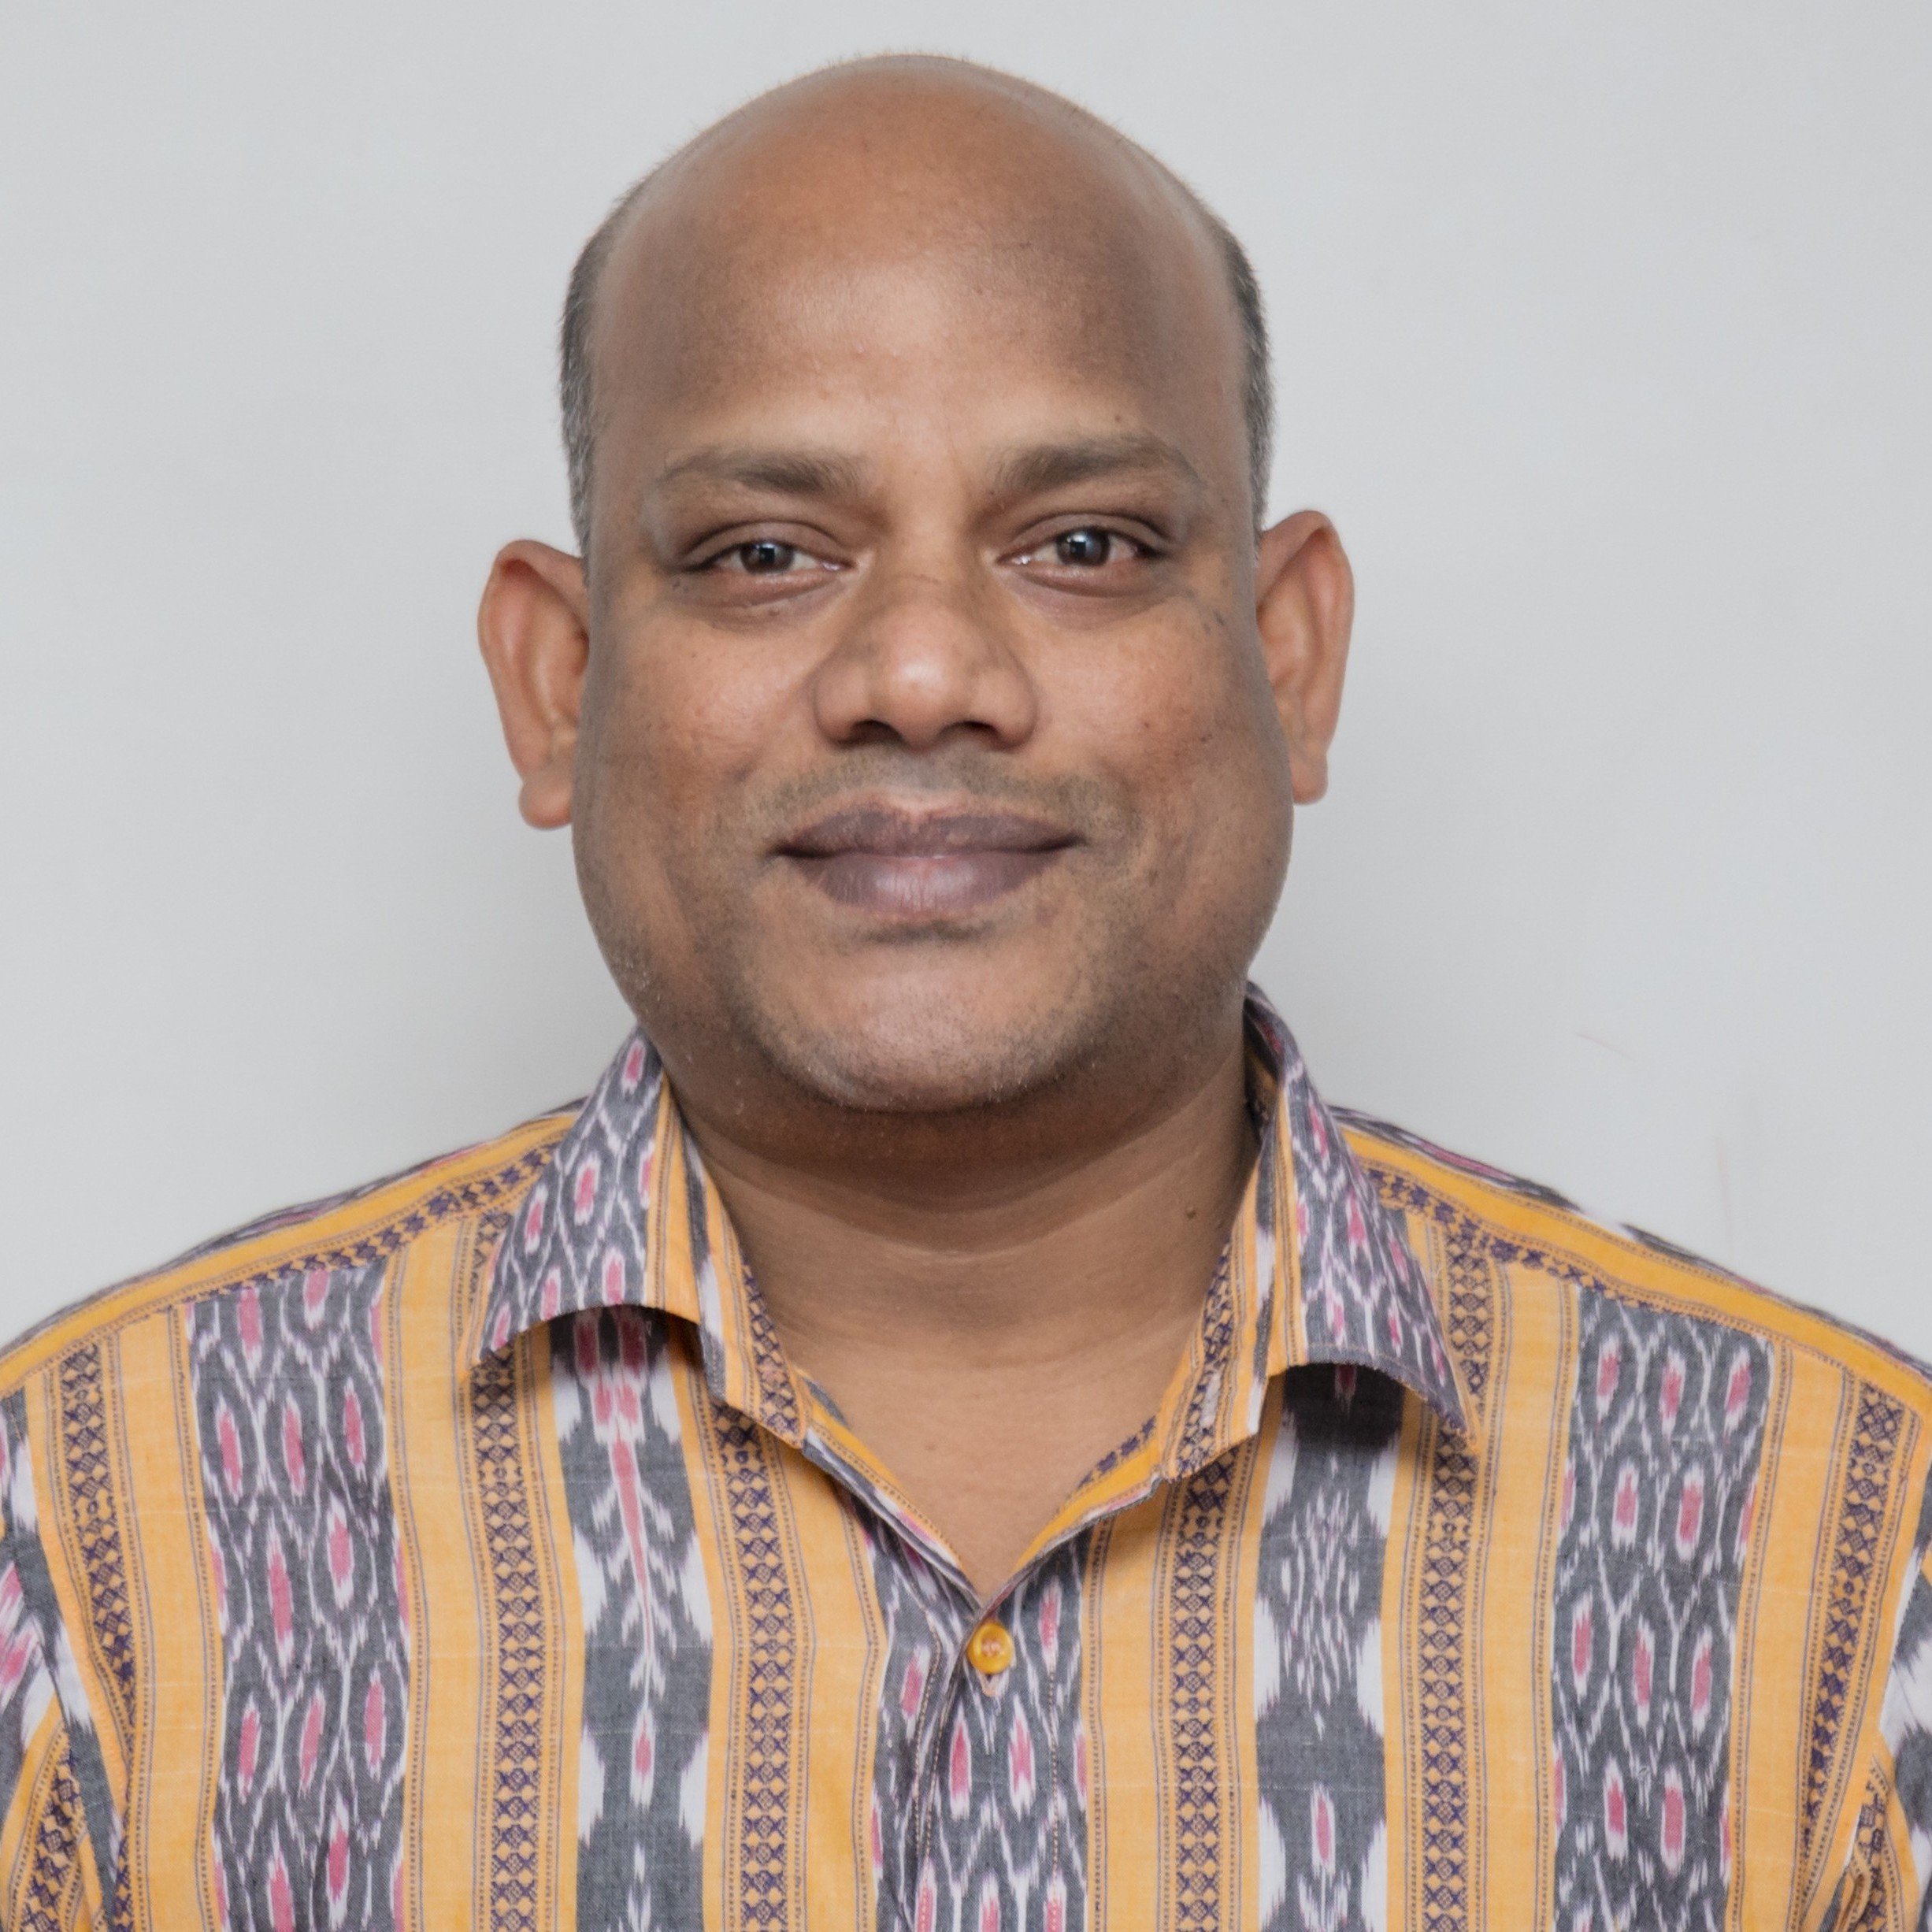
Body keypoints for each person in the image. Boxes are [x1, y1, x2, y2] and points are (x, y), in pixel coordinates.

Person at [0, 52, 1925, 1932]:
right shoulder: (90, 1540)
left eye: (1084, 544)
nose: (922, 673)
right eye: (764, 553)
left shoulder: (1840, 1551)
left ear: (1287, 658)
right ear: (558, 683)